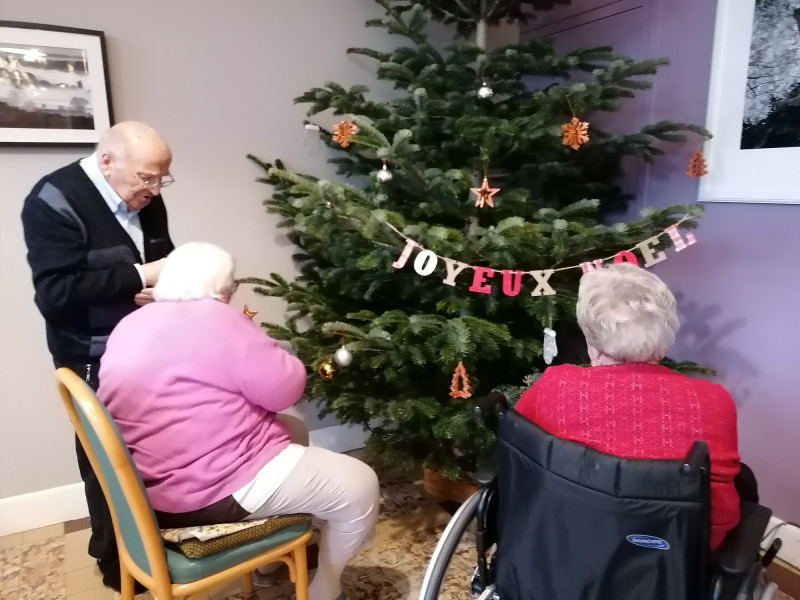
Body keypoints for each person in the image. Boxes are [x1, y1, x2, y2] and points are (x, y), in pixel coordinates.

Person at [97, 242, 380, 600]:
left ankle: (267, 561)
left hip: (152, 485)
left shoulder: (130, 325)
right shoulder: (219, 318)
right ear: (221, 289)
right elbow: (284, 390)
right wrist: (266, 345)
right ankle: (326, 588)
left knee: (293, 429)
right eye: (232, 288)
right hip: (207, 489)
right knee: (360, 485)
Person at [21, 121, 175, 592]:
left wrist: (163, 288)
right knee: (106, 458)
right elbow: (56, 293)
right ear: (107, 161)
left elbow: (162, 256)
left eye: (161, 178)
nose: (154, 189)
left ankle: (161, 541)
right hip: (90, 352)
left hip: (146, 342)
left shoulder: (147, 196)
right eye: (146, 178)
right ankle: (117, 563)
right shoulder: (52, 199)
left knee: (157, 444)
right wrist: (140, 275)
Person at [515, 263, 754, 554]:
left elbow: (521, 451)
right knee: (743, 479)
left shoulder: (554, 386)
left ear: (591, 343)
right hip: (671, 554)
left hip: (566, 541)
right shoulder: (714, 402)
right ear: (664, 341)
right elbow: (720, 516)